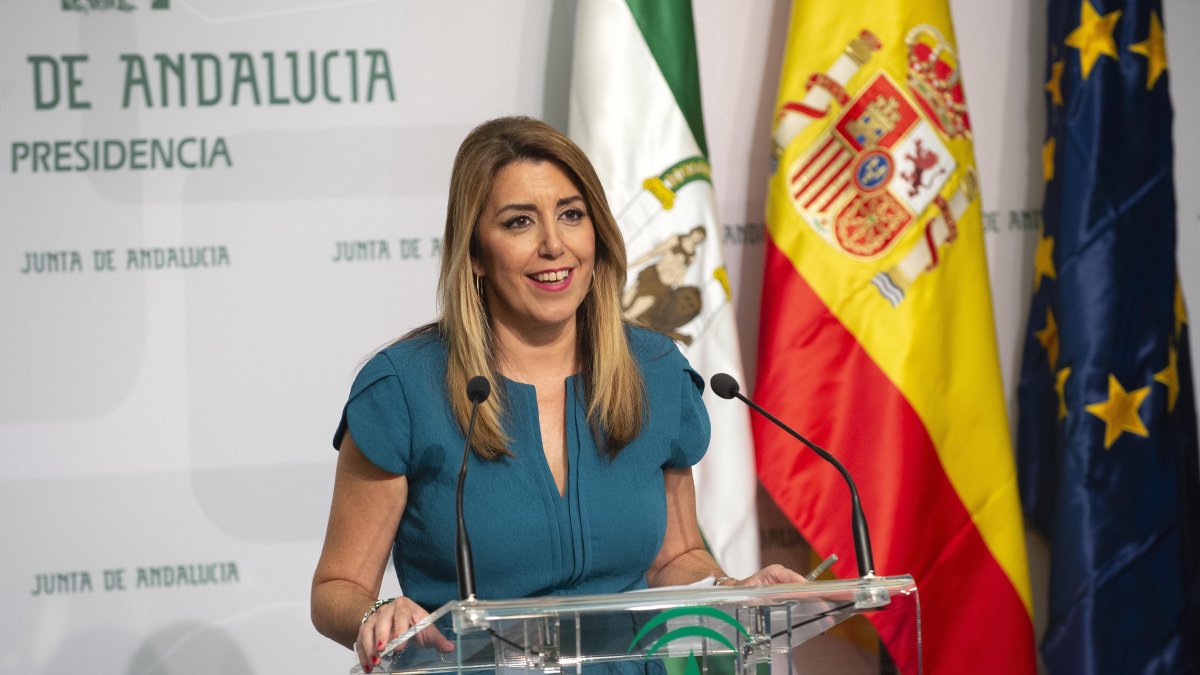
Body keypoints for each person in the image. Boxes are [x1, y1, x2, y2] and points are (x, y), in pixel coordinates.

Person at [311, 116, 803, 673]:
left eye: (571, 215)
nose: (554, 244)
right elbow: (336, 586)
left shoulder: (656, 372)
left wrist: (734, 588)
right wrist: (378, 612)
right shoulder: (403, 389)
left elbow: (676, 557)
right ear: (474, 253)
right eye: (519, 222)